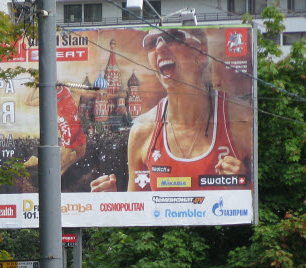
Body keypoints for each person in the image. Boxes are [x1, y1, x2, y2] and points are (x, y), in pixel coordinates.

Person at [90, 28, 251, 193]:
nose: (160, 47)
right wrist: (111, 201)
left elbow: (266, 200)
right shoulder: (143, 131)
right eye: (153, 43)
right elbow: (138, 212)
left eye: (173, 38)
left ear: (201, 53)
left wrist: (243, 184)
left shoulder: (242, 119)